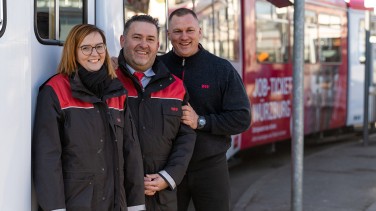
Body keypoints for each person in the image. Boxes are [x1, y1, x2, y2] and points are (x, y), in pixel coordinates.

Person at [32, 24, 145, 211]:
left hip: (115, 203)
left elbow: (130, 152)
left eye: (99, 46)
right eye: (85, 48)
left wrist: (136, 205)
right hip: (76, 203)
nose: (95, 53)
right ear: (73, 51)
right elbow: (47, 157)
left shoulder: (116, 91)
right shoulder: (55, 90)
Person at [159, 8, 251, 211]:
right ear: (168, 35)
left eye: (190, 30)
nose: (184, 37)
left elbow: (242, 118)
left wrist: (201, 121)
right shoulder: (157, 67)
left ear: (200, 32)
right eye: (177, 31)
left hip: (210, 167)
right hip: (167, 167)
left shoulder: (221, 69)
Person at [115, 15, 196, 211]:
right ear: (122, 40)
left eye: (150, 39)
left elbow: (185, 137)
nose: (144, 44)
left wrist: (168, 177)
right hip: (118, 193)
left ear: (158, 44)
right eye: (137, 37)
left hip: (161, 196)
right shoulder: (109, 82)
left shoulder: (176, 86)